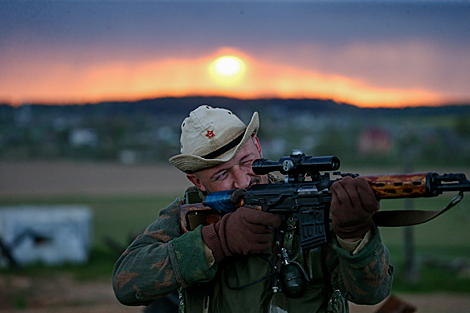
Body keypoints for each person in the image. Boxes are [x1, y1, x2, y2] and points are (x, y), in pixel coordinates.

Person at [112, 105, 393, 313]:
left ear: (257, 146)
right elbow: (127, 284)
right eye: (221, 175)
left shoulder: (310, 204)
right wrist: (217, 242)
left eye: (247, 161)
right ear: (197, 181)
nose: (242, 180)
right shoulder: (190, 213)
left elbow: (371, 292)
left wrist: (354, 236)